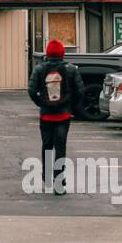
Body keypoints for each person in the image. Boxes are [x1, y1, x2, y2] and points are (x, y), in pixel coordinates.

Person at [27, 39, 84, 196]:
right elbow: (80, 91)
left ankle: (46, 177)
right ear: (62, 53)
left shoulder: (39, 69)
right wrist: (71, 106)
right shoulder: (71, 69)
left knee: (47, 146)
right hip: (63, 115)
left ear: (47, 52)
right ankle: (59, 182)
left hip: (46, 116)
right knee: (60, 147)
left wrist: (41, 103)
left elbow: (31, 90)